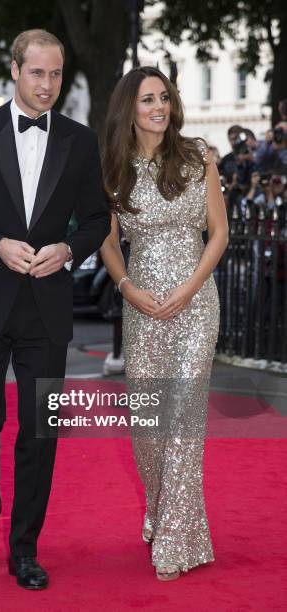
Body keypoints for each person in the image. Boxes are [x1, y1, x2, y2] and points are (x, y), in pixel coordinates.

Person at [0, 29, 110, 590]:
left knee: (41, 432)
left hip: (47, 310)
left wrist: (69, 249)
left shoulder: (80, 142)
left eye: (56, 75)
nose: (47, 85)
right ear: (14, 70)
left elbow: (99, 220)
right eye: (37, 73)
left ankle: (25, 549)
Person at [100, 66, 228, 581]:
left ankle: (178, 538)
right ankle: (159, 509)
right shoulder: (113, 169)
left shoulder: (198, 158)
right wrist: (129, 287)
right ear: (129, 108)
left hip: (194, 303)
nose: (159, 107)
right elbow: (108, 243)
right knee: (149, 427)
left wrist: (189, 287)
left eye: (165, 98)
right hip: (142, 306)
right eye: (148, 99)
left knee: (181, 422)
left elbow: (218, 233)